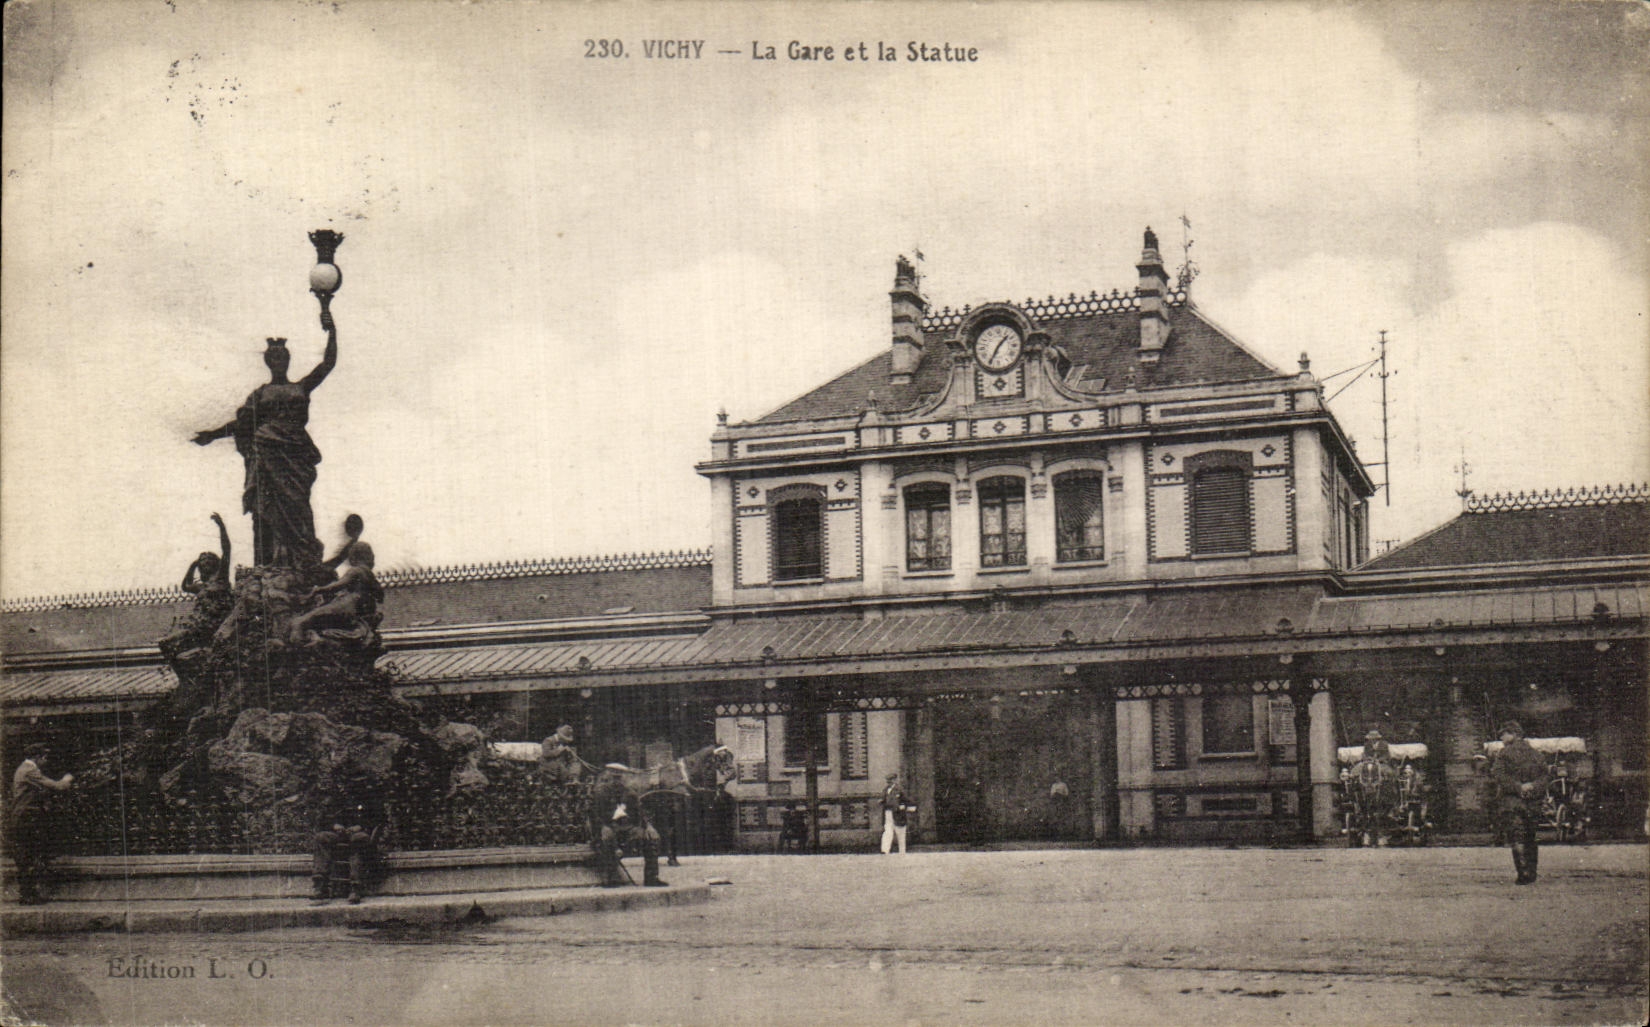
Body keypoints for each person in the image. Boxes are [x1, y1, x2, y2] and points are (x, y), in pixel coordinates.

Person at [193, 306, 337, 569]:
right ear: (269, 362)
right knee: (265, 510)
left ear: (288, 360)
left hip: (295, 458)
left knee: (299, 508)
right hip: (266, 459)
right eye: (275, 357)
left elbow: (327, 365)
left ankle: (303, 562)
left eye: (283, 356)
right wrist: (213, 435)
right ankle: (265, 567)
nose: (279, 361)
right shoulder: (259, 396)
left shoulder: (300, 387)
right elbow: (241, 424)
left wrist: (332, 330)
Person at [158, 512, 234, 662]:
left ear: (215, 563)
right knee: (165, 644)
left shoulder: (221, 578)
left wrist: (221, 527)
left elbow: (227, 550)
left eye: (208, 561)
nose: (205, 564)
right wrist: (192, 566)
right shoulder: (201, 587)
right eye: (202, 562)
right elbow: (186, 586)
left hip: (215, 625)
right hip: (199, 625)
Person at [8, 743, 75, 904]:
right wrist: (67, 779)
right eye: (44, 757)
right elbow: (58, 786)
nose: (45, 761)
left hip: (24, 818)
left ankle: (28, 895)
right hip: (26, 819)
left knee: (27, 857)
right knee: (27, 856)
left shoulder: (24, 770)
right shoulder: (30, 770)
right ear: (37, 757)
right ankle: (28, 895)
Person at [288, 540, 383, 647]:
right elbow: (380, 597)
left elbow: (338, 585)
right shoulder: (369, 575)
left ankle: (301, 643)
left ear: (354, 557)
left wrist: (319, 589)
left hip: (348, 605)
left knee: (305, 620)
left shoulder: (356, 570)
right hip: (356, 608)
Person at [1490, 721, 1549, 885]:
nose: (1502, 737)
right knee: (1531, 836)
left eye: (1504, 734)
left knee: (1517, 837)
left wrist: (1518, 787)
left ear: (1514, 734)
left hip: (1512, 802)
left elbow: (1498, 775)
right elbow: (1545, 776)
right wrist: (1533, 786)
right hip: (1532, 802)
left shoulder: (1503, 753)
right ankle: (1532, 872)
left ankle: (1523, 873)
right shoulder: (1536, 754)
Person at [590, 764, 665, 887]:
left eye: (619, 778)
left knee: (652, 838)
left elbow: (640, 813)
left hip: (627, 829)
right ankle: (611, 878)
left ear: (624, 777)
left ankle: (652, 877)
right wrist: (603, 827)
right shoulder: (601, 793)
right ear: (609, 776)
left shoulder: (630, 793)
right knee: (608, 838)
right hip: (608, 828)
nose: (617, 781)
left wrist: (649, 827)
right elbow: (594, 815)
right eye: (614, 778)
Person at [312, 796, 380, 904]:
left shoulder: (368, 794)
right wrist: (334, 825)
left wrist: (360, 826)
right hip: (339, 834)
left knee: (358, 839)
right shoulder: (334, 795)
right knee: (321, 837)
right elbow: (322, 818)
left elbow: (377, 817)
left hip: (358, 833)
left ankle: (355, 887)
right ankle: (320, 885)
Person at [880, 773, 915, 855]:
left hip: (898, 814)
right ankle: (885, 850)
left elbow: (907, 800)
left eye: (891, 780)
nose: (889, 782)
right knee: (888, 831)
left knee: (900, 833)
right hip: (888, 813)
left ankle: (902, 851)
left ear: (895, 780)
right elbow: (883, 800)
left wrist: (905, 806)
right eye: (888, 780)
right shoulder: (885, 790)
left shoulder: (899, 790)